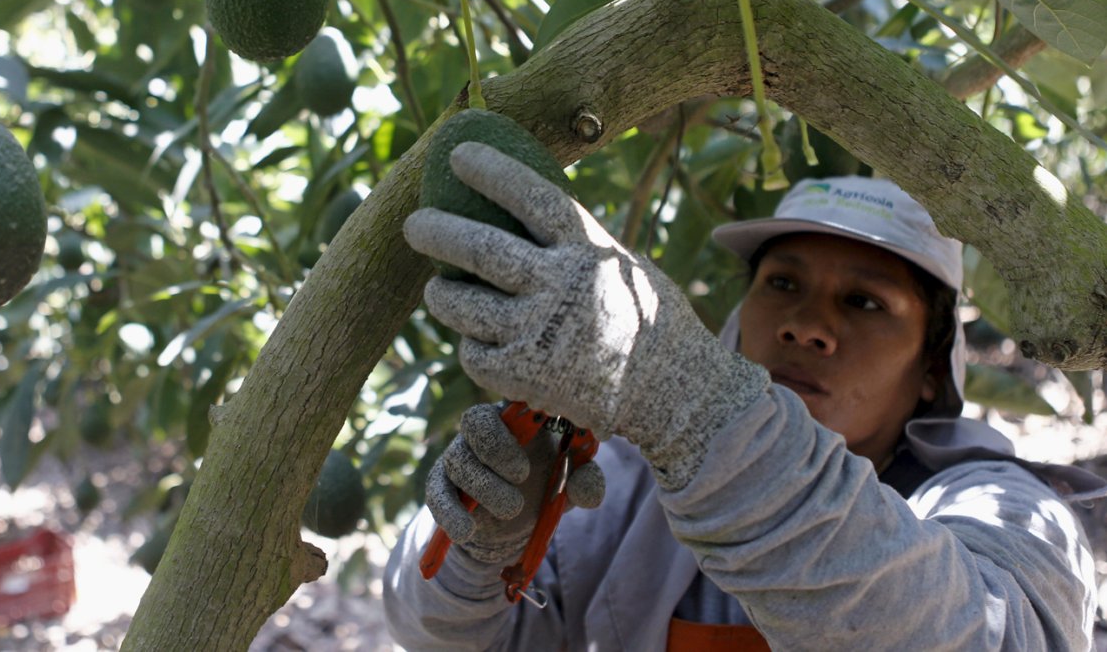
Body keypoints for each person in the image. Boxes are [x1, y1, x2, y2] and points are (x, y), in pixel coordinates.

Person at [383, 141, 1106, 651]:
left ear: (930, 369)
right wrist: (482, 553)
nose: (810, 328)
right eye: (782, 284)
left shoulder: (1001, 509)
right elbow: (448, 638)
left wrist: (698, 411)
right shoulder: (629, 488)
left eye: (865, 302)